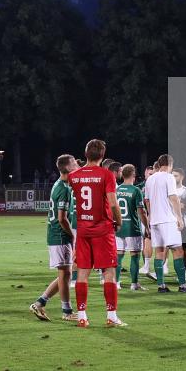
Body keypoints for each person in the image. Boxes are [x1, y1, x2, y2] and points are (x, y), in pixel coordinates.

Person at [67, 139, 125, 328]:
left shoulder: (73, 176)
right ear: (103, 155)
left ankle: (82, 316)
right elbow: (113, 202)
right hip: (103, 229)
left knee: (82, 272)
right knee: (109, 271)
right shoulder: (107, 175)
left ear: (85, 154)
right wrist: (119, 220)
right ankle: (111, 316)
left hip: (83, 229)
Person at [29, 154, 78, 322]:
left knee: (65, 274)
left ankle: (40, 303)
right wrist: (72, 236)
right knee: (65, 274)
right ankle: (67, 311)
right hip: (59, 235)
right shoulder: (63, 189)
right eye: (74, 163)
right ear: (67, 168)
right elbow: (61, 218)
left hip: (58, 235)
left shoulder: (63, 184)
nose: (77, 165)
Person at [144, 155, 186, 294]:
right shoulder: (169, 177)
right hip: (167, 219)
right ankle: (183, 286)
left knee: (159, 251)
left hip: (155, 220)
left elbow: (147, 201)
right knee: (178, 250)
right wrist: (179, 217)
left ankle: (161, 286)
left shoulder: (150, 179)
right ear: (170, 164)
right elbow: (173, 198)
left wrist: (150, 216)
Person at [115, 164, 148, 291]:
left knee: (119, 255)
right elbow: (141, 212)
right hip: (132, 228)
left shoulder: (116, 190)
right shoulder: (135, 190)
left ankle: (116, 283)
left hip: (118, 228)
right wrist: (147, 228)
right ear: (133, 175)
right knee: (135, 255)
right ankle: (134, 284)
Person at [136, 164, 156, 277]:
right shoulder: (140, 187)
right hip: (141, 217)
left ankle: (149, 266)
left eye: (153, 174)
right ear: (145, 173)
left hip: (150, 216)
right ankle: (145, 265)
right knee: (143, 242)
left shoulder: (154, 186)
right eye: (149, 174)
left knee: (148, 240)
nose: (151, 176)